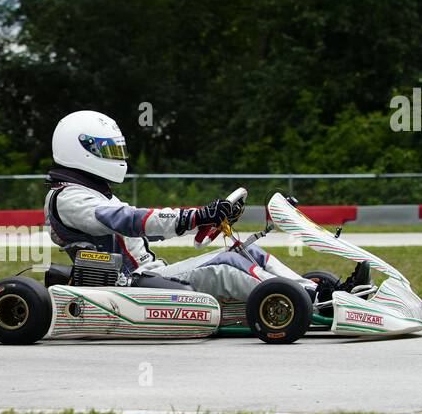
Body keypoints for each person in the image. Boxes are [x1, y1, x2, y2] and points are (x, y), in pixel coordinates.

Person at [43, 109, 317, 302]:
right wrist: (196, 216)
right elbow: (128, 220)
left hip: (149, 275)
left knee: (248, 252)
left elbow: (138, 227)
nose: (116, 158)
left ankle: (314, 291)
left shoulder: (93, 193)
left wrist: (202, 220)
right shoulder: (69, 198)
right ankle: (300, 300)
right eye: (108, 151)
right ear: (81, 149)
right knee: (227, 263)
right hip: (129, 285)